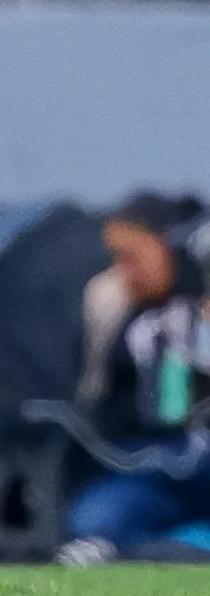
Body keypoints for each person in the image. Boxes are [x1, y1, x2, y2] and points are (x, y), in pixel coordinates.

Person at [56, 191, 210, 564]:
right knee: (96, 520)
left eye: (131, 257)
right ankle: (181, 545)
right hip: (160, 468)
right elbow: (107, 407)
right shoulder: (128, 318)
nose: (123, 272)